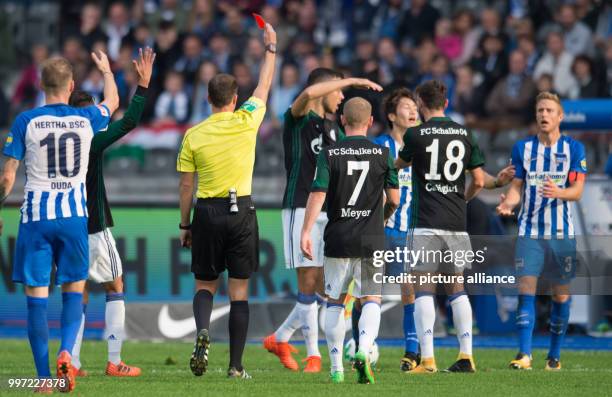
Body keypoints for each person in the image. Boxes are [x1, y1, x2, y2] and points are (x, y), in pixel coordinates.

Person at [0, 52, 119, 392]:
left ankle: (43, 380)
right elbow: (112, 101)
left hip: (37, 218)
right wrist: (108, 70)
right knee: (74, 292)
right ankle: (67, 351)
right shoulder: (85, 119)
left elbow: (7, 178)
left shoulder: (25, 121)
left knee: (36, 297)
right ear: (71, 86)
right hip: (73, 218)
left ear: (41, 84)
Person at [262, 69, 382, 373]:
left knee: (320, 287)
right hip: (300, 206)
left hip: (329, 212)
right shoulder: (298, 118)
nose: (341, 97)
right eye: (337, 90)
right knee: (308, 282)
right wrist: (352, 81)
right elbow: (306, 96)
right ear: (324, 87)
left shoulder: (334, 131)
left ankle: (281, 337)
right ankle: (314, 355)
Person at [176, 23, 276, 380]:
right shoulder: (246, 120)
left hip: (206, 211)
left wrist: (185, 224)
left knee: (205, 285)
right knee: (239, 291)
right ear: (235, 100)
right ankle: (236, 366)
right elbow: (264, 85)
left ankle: (203, 330)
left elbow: (187, 185)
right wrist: (271, 49)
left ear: (208, 99)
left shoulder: (194, 134)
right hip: (241, 209)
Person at [68, 47, 156, 378]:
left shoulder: (57, 136)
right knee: (115, 283)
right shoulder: (91, 139)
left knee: (76, 291)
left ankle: (72, 363)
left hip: (65, 223)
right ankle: (114, 360)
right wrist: (141, 84)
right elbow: (129, 119)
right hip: (93, 224)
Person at [301, 97, 399, 384]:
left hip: (338, 237)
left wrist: (306, 231)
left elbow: (318, 193)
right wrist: (382, 217)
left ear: (343, 120)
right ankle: (364, 350)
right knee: (371, 298)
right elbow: (394, 199)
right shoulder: (383, 154)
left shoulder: (330, 153)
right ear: (370, 122)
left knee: (335, 301)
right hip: (372, 239)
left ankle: (336, 369)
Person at [395, 80, 485, 373]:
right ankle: (466, 356)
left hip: (426, 223)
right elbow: (481, 181)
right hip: (457, 223)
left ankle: (429, 360)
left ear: (420, 104)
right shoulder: (464, 133)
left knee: (424, 290)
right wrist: (463, 200)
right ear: (445, 104)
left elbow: (399, 165)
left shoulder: (416, 135)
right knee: (457, 288)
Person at [497, 92, 587, 371]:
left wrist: (560, 191)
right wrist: (508, 205)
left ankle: (554, 356)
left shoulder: (574, 149)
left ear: (560, 116)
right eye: (539, 111)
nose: (543, 115)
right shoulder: (522, 148)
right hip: (530, 231)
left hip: (561, 234)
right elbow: (516, 189)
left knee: (560, 295)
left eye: (549, 110)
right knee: (527, 291)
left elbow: (578, 191)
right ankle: (524, 354)